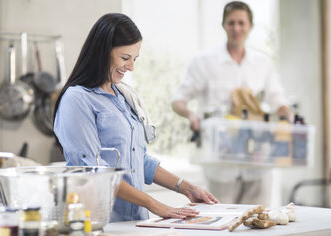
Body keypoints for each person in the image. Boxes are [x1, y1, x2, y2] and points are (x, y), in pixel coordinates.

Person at [53, 13, 218, 222]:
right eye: (125, 58)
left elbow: (137, 159)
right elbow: (95, 172)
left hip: (134, 221)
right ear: (102, 52)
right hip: (95, 223)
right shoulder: (77, 99)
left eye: (134, 59)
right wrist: (154, 204)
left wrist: (186, 187)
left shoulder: (122, 97)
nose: (131, 67)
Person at [172, 1, 291, 206]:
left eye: (241, 23)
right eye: (231, 23)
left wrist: (287, 117)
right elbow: (178, 100)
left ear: (250, 26)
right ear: (224, 25)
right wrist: (192, 115)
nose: (236, 28)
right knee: (221, 217)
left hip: (258, 161)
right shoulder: (204, 61)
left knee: (259, 219)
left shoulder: (263, 62)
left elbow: (278, 100)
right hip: (221, 161)